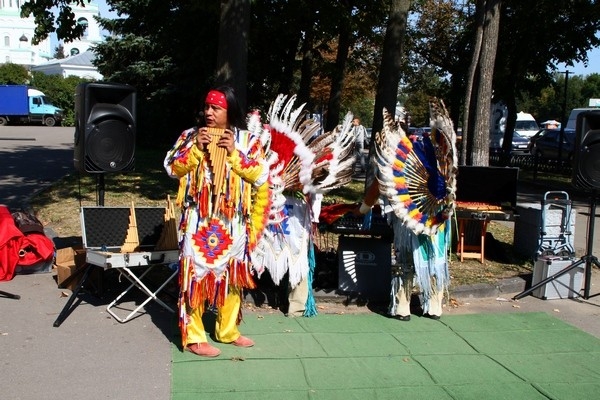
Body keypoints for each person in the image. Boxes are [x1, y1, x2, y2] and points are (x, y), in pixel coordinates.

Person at [164, 86, 269, 357]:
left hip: (232, 222)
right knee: (194, 277)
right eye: (206, 107)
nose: (208, 113)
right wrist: (196, 151)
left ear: (230, 111)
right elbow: (172, 168)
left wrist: (234, 154)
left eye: (216, 108)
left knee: (232, 276)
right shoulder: (190, 136)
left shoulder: (248, 141)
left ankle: (228, 330)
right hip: (199, 222)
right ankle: (195, 336)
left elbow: (260, 176)